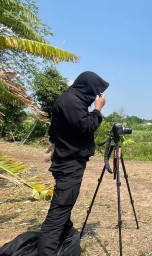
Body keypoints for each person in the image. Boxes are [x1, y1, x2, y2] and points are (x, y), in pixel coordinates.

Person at [37, 71, 109, 256]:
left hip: (67, 160)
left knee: (64, 203)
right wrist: (98, 109)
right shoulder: (72, 101)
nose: (97, 96)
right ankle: (46, 252)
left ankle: (68, 235)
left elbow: (56, 128)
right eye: (96, 91)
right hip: (70, 164)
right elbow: (85, 127)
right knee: (58, 212)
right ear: (89, 88)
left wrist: (56, 144)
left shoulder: (70, 99)